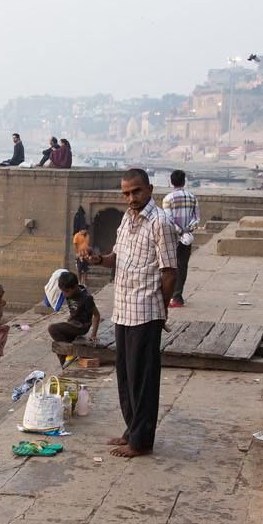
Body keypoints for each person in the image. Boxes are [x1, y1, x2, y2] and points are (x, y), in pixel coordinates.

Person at [86, 169, 178, 458]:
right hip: (124, 308)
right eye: (126, 193)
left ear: (149, 189)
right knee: (126, 377)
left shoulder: (160, 222)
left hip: (146, 310)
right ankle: (131, 430)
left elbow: (170, 272)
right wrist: (99, 259)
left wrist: (161, 311)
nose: (131, 198)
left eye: (136, 191)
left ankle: (141, 441)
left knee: (144, 379)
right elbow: (118, 256)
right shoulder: (127, 218)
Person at [161, 169, 199, 308]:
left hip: (172, 238)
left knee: (169, 266)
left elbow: (168, 220)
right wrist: (186, 230)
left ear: (171, 182)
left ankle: (168, 296)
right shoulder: (192, 197)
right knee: (182, 267)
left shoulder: (167, 199)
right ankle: (177, 297)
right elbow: (196, 218)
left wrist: (179, 231)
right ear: (184, 181)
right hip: (187, 237)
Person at [47, 271, 100, 365]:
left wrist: (93, 335)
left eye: (66, 291)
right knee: (57, 344)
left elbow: (97, 315)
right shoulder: (69, 294)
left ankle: (69, 353)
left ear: (75, 287)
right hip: (72, 324)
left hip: (81, 326)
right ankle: (64, 363)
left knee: (52, 328)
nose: (64, 294)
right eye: (63, 291)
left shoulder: (86, 298)